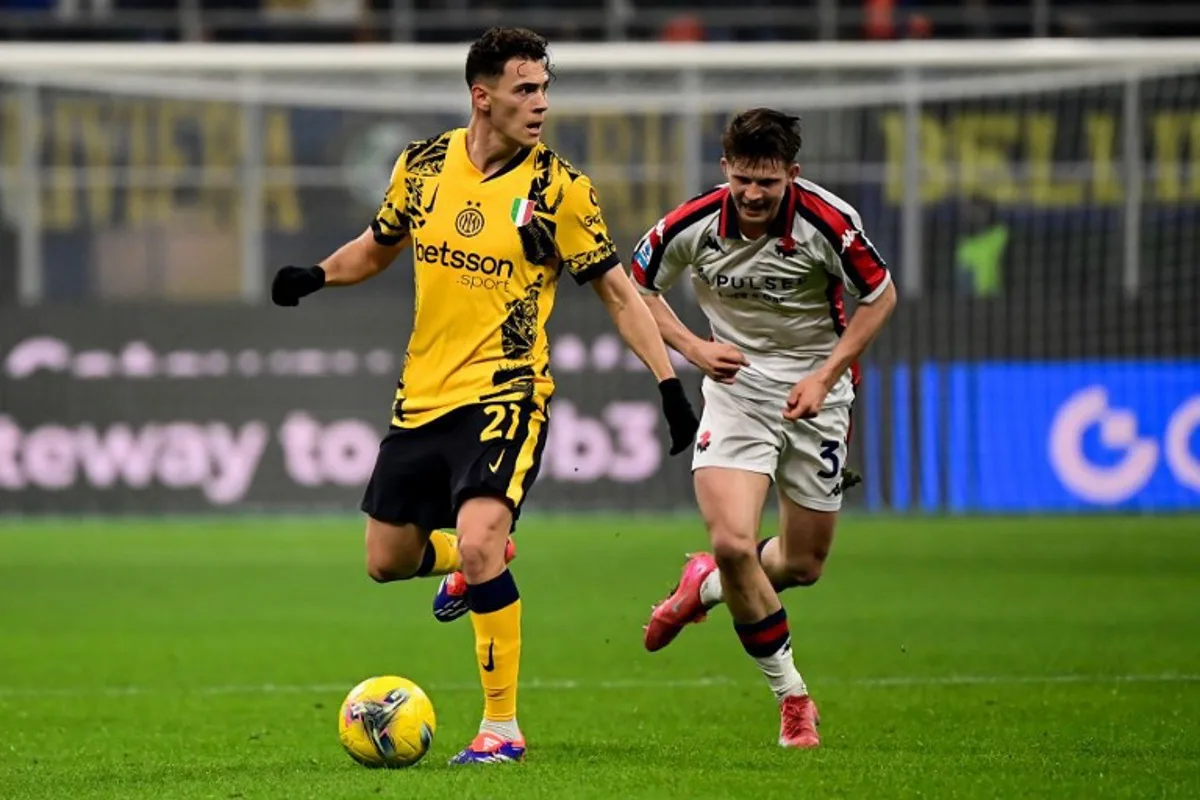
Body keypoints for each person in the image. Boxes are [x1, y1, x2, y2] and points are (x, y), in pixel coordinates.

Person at [270, 26, 699, 765]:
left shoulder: (559, 190)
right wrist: (317, 274)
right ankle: (477, 560)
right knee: (386, 560)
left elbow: (620, 296)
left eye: (544, 89)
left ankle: (501, 728)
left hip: (508, 390)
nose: (540, 104)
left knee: (477, 541)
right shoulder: (425, 164)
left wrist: (669, 383)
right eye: (525, 89)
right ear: (483, 95)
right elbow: (379, 244)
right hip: (422, 394)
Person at [631, 108, 897, 749]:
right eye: (743, 179)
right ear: (726, 169)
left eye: (768, 183)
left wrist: (827, 375)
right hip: (736, 392)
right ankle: (793, 698)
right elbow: (634, 287)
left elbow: (880, 296)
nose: (753, 194)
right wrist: (694, 348)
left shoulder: (828, 224)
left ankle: (707, 588)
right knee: (733, 540)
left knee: (803, 564)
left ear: (792, 177)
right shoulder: (691, 224)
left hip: (819, 397)